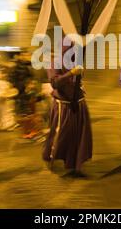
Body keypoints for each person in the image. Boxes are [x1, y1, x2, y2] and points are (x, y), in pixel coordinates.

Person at [42, 42, 92, 176]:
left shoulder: (76, 62)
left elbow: (78, 80)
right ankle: (53, 156)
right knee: (61, 135)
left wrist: (79, 79)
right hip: (63, 105)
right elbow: (54, 83)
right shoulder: (54, 63)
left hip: (78, 103)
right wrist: (71, 73)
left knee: (78, 135)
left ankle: (75, 162)